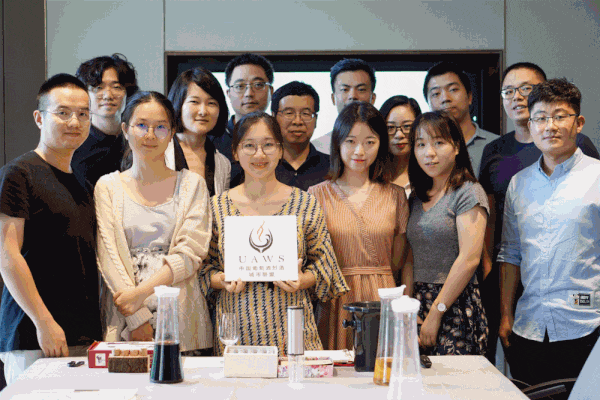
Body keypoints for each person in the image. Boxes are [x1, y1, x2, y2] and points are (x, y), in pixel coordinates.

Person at [478, 62, 599, 366]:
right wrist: (506, 315)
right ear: (530, 126)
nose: (550, 126)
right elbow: (510, 253)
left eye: (560, 116)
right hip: (528, 325)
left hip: (587, 324)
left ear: (579, 123)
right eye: (541, 118)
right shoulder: (519, 183)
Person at [200, 112, 348, 356]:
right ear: (235, 152)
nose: (259, 154)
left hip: (294, 330)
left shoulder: (304, 203)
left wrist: (303, 279)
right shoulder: (217, 207)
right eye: (249, 146)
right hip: (235, 332)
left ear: (280, 150)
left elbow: (325, 264)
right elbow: (203, 268)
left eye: (268, 145)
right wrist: (221, 280)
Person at [0, 74, 102, 384]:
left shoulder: (83, 185)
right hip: (34, 336)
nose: (74, 122)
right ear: (39, 118)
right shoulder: (18, 174)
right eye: (63, 112)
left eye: (83, 113)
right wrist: (43, 321)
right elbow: (7, 255)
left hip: (82, 336)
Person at [95, 91, 213, 355]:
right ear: (125, 129)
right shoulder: (108, 187)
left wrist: (140, 294)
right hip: (126, 323)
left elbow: (190, 253)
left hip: (182, 321)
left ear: (171, 133)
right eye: (141, 125)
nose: (150, 135)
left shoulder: (192, 185)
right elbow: (108, 257)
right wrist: (137, 318)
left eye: (160, 127)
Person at [309, 102, 409, 350]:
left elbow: (399, 261)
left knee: (382, 367)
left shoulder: (396, 195)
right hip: (335, 299)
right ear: (337, 143)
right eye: (351, 141)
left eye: (370, 142)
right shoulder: (316, 195)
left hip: (383, 297)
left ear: (381, 144)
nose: (360, 151)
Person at [406, 111, 489, 356]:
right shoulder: (416, 196)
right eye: (421, 144)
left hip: (454, 305)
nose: (429, 153)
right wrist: (409, 309)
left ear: (456, 147)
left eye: (439, 143)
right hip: (418, 303)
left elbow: (469, 259)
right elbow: (409, 256)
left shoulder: (468, 192)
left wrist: (436, 312)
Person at [71, 53, 139, 186]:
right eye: (98, 88)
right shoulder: (74, 145)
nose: (108, 95)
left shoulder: (136, 140)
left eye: (116, 87)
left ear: (127, 92)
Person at [166, 66, 231, 196]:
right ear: (178, 104)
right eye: (194, 102)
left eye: (211, 103)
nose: (203, 111)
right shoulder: (158, 152)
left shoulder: (223, 163)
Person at [423, 62, 497, 174]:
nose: (445, 98)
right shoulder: (424, 151)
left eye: (453, 89)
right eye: (436, 93)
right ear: (428, 104)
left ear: (469, 97)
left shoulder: (496, 144)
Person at [211, 53, 274, 162]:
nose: (249, 93)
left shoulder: (282, 137)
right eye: (240, 86)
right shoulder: (211, 141)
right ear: (228, 94)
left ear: (271, 91)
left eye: (258, 85)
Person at [272, 81, 330, 191]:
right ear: (273, 117)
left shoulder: (333, 168)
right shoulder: (261, 165)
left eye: (306, 114)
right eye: (289, 113)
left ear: (316, 120)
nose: (297, 121)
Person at [312, 59, 377, 155]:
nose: (352, 96)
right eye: (344, 89)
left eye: (361, 89)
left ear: (373, 98)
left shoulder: (385, 145)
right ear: (333, 98)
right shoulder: (317, 148)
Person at [379, 95, 422, 196]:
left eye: (407, 126)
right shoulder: (370, 176)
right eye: (390, 127)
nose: (399, 135)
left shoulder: (430, 174)